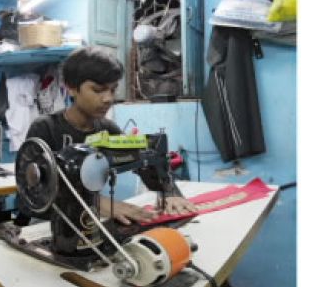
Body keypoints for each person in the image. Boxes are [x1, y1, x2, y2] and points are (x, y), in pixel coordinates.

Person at [24, 46, 195, 229]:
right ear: (71, 88)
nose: (108, 99)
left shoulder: (108, 130)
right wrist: (101, 204)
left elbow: (143, 165)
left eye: (113, 90)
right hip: (45, 225)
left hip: (88, 220)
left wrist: (169, 192)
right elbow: (33, 193)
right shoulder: (45, 128)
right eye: (98, 90)